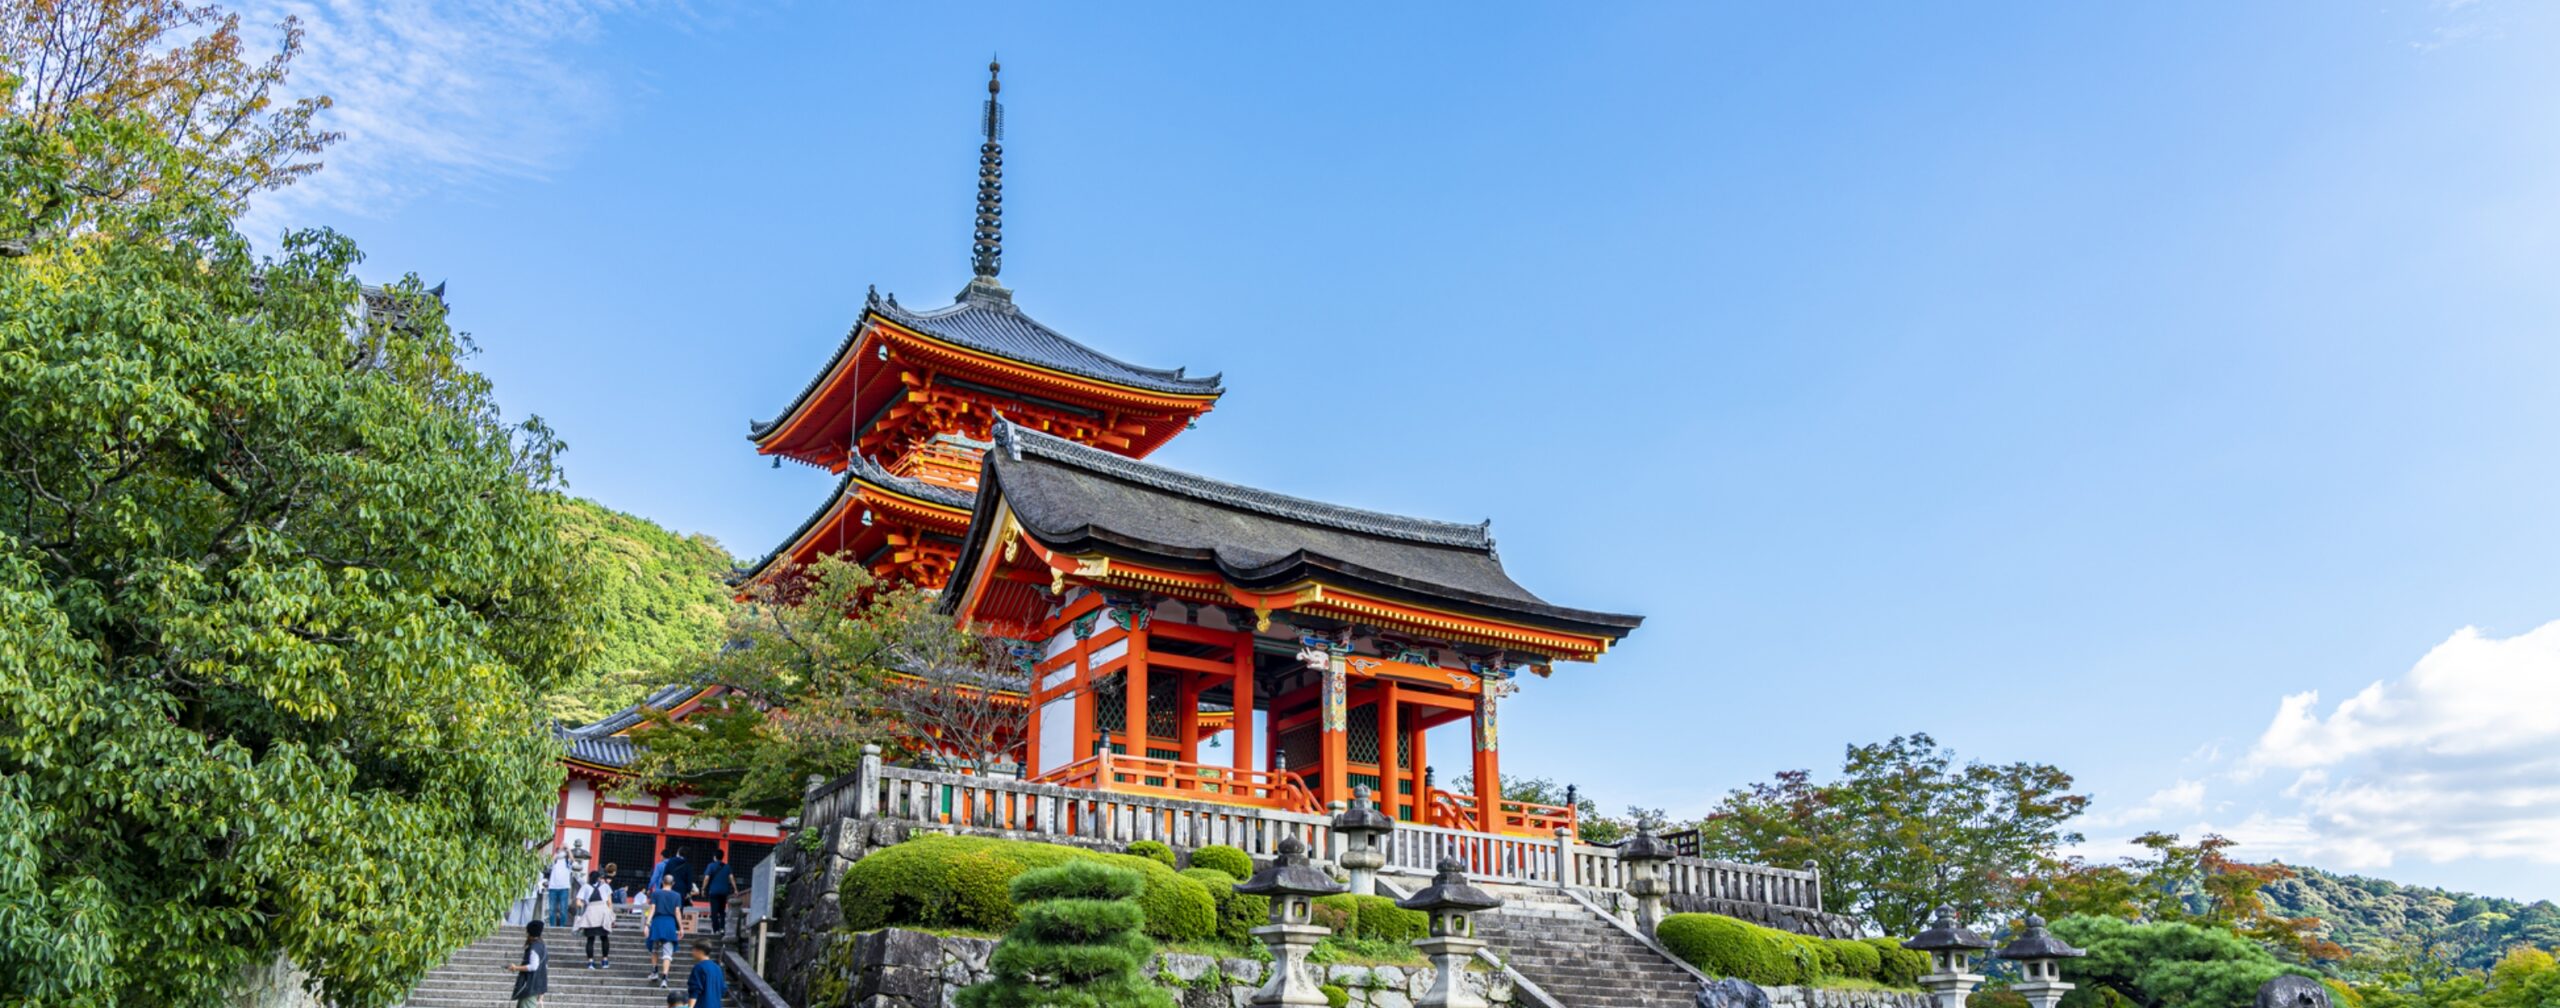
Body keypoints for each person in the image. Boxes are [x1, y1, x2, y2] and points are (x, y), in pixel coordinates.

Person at [644, 875, 687, 987]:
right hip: (670, 924)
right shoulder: (677, 895)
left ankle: (654, 972)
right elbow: (677, 912)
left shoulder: (656, 893)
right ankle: (664, 978)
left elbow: (652, 909)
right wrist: (681, 927)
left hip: (657, 923)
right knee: (667, 953)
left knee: (654, 949)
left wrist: (647, 924)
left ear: (662, 882)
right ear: (673, 883)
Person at [575, 869, 616, 970]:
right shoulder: (606, 886)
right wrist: (611, 915)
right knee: (604, 938)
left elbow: (578, 903)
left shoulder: (585, 887)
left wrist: (585, 904)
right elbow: (609, 903)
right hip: (603, 912)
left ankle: (590, 962)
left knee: (590, 939)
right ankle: (605, 960)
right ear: (599, 878)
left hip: (591, 912)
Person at [505, 920, 549, 1008]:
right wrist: (541, 993)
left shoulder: (534, 948)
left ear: (530, 933)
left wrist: (516, 967)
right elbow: (544, 969)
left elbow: (533, 967)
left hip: (530, 987)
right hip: (534, 987)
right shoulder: (542, 946)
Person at [685, 939, 727, 1008]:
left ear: (700, 951)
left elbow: (695, 990)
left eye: (693, 950)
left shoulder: (699, 967)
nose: (692, 952)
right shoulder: (717, 968)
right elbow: (723, 989)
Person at [701, 848, 733, 936]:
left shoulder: (710, 866)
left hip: (714, 892)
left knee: (714, 912)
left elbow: (707, 878)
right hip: (724, 892)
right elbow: (731, 878)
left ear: (714, 857)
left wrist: (703, 888)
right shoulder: (727, 866)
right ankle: (722, 928)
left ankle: (716, 930)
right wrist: (735, 888)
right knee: (722, 911)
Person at [542, 846, 576, 928]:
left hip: (564, 888)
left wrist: (568, 849)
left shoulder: (567, 862)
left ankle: (562, 926)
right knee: (551, 909)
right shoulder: (555, 862)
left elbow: (573, 861)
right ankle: (552, 926)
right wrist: (558, 852)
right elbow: (549, 863)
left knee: (563, 909)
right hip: (553, 887)